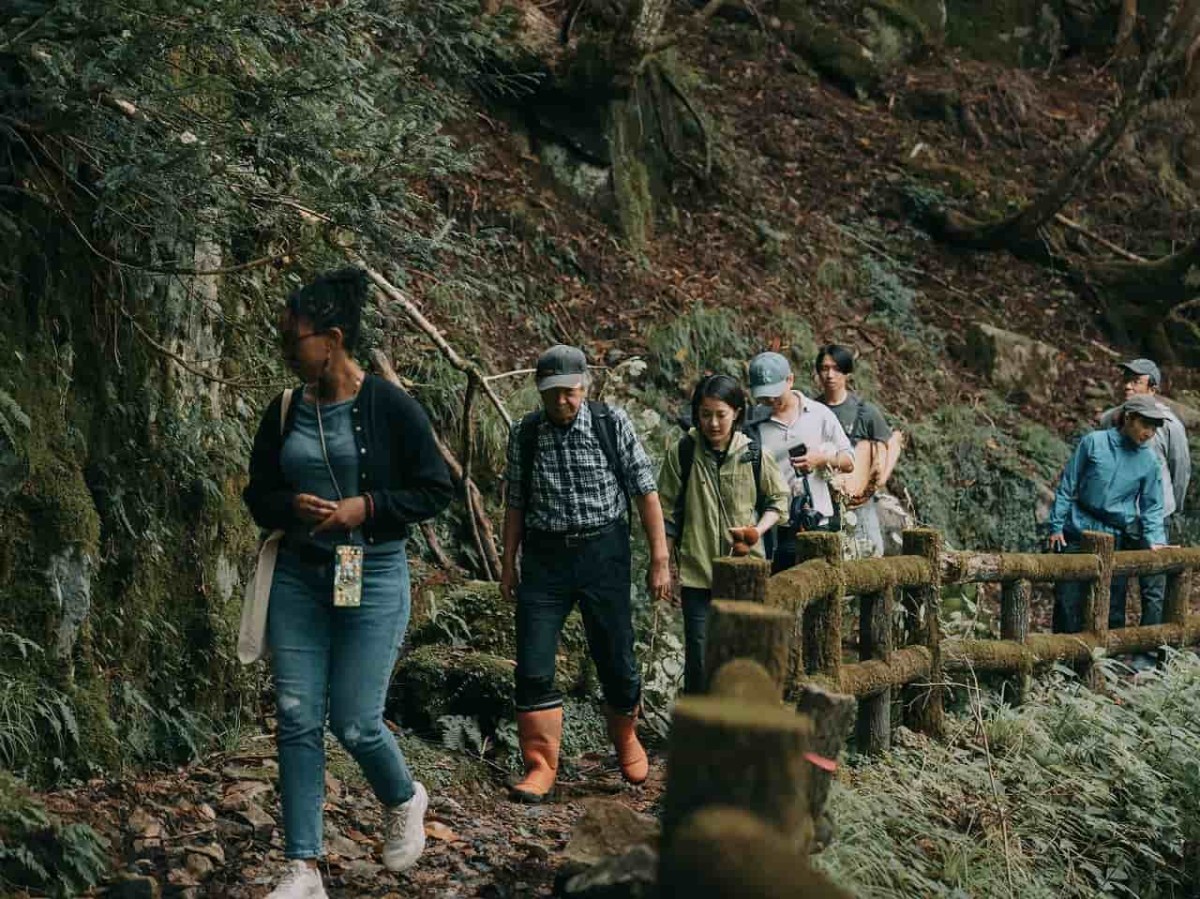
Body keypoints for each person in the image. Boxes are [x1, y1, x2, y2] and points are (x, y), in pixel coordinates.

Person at [244, 268, 454, 899]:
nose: (285, 349)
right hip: (300, 578)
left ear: (332, 339)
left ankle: (403, 796)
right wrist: (291, 508)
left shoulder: (391, 407)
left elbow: (434, 489)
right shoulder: (283, 409)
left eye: (295, 338)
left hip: (373, 570)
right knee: (297, 715)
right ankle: (302, 866)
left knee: (357, 720)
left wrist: (366, 507)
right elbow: (258, 494)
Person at [500, 345, 671, 803]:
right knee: (534, 661)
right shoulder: (526, 433)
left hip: (604, 553)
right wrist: (507, 561)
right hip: (545, 558)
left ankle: (625, 735)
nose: (563, 401)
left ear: (585, 387)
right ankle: (540, 764)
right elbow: (515, 500)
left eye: (571, 392)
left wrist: (660, 558)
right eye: (553, 393)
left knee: (615, 656)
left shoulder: (610, 423)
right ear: (541, 392)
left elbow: (645, 490)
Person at [657, 375, 789, 694]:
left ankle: (740, 733)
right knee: (700, 659)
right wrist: (663, 565)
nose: (713, 423)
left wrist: (757, 531)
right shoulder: (683, 452)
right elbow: (666, 513)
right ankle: (699, 735)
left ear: (737, 414)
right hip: (697, 576)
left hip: (745, 575)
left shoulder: (754, 455)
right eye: (705, 414)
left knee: (744, 656)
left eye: (721, 414)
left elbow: (779, 501)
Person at [1047, 394, 1168, 635]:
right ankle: (1061, 664)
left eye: (1154, 428)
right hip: (1077, 529)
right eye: (1145, 424)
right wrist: (1056, 526)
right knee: (1067, 600)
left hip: (1116, 537)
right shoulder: (1093, 442)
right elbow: (1068, 484)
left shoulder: (1149, 461)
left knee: (1112, 604)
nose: (1149, 433)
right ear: (1128, 418)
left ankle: (1107, 662)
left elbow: (1152, 506)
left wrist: (1156, 540)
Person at [1098, 358, 1190, 632]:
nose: (1126, 385)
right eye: (1125, 379)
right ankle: (1111, 648)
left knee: (1153, 586)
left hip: (1154, 516)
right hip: (1116, 515)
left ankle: (1147, 656)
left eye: (1135, 380)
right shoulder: (1110, 419)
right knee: (1112, 582)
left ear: (1152, 388)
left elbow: (1180, 468)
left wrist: (1169, 508)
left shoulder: (1170, 424)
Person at [746, 351, 854, 573]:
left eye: (776, 394)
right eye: (764, 396)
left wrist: (822, 459)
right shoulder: (754, 423)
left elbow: (849, 460)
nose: (771, 401)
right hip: (775, 528)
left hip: (817, 523)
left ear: (790, 380)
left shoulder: (819, 414)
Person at [814, 344, 899, 558]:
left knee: (870, 558)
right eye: (825, 368)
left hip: (860, 503)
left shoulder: (864, 411)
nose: (830, 375)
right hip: (822, 503)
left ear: (847, 373)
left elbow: (892, 444)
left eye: (837, 368)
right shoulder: (811, 410)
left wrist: (878, 480)